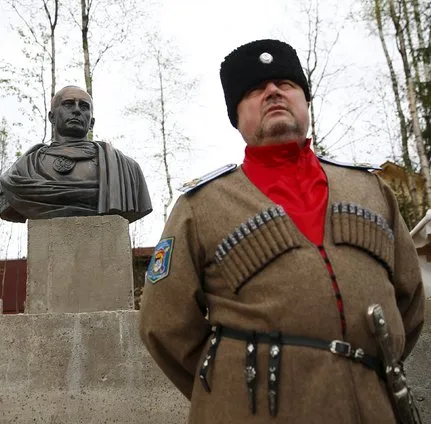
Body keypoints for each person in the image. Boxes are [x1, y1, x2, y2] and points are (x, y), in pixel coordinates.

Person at [139, 39, 425, 424]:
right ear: (236, 116)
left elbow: (409, 301)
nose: (273, 91)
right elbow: (164, 325)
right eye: (255, 89)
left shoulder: (371, 190)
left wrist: (355, 368)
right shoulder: (200, 205)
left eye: (286, 84)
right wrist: (231, 386)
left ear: (305, 101)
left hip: (371, 408)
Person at [0, 85, 152, 223]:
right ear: (51, 117)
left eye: (84, 106)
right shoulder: (23, 171)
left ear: (91, 122)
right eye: (68, 104)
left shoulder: (126, 170)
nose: (77, 110)